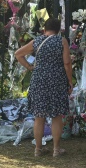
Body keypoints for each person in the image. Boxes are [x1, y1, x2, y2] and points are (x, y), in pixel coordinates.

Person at [15, 17, 72, 157]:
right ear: (58, 30)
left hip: (38, 80)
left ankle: (38, 149)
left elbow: (18, 54)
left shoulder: (37, 41)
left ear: (44, 29)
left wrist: (29, 67)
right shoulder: (61, 41)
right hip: (56, 80)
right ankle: (56, 150)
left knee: (39, 116)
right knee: (57, 115)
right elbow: (67, 63)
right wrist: (69, 81)